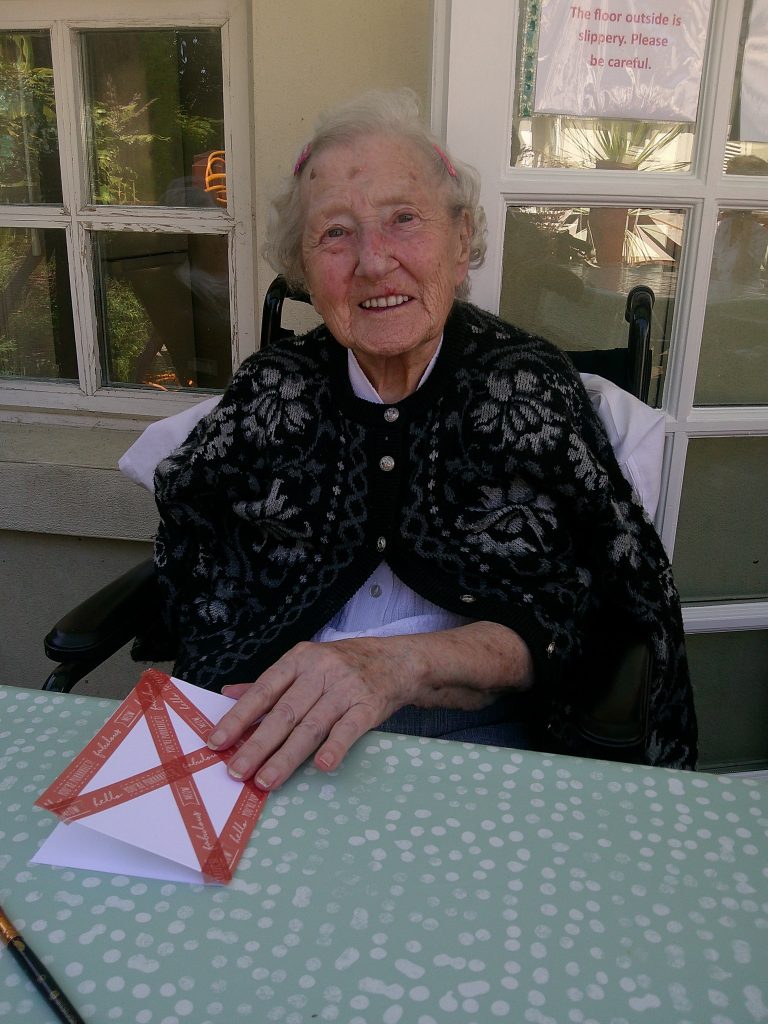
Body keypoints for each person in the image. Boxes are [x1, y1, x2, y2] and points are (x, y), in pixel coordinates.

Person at [152, 90, 697, 790]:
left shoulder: (528, 388)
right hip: (267, 722)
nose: (374, 262)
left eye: (403, 219)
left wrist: (398, 666)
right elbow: (197, 548)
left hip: (477, 740)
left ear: (461, 241)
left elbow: (593, 604)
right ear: (304, 269)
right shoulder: (270, 388)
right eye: (335, 233)